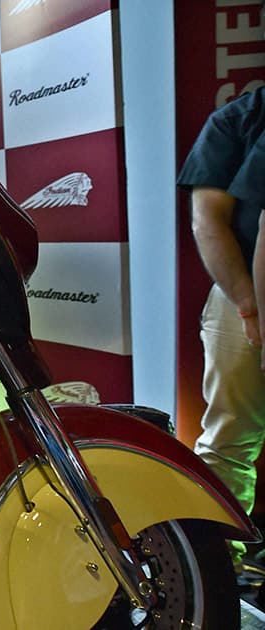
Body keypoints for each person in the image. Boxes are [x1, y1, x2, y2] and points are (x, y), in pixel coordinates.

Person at [177, 84, 265, 570]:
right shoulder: (236, 119)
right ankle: (218, 561)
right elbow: (207, 220)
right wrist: (251, 308)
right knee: (231, 435)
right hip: (240, 291)